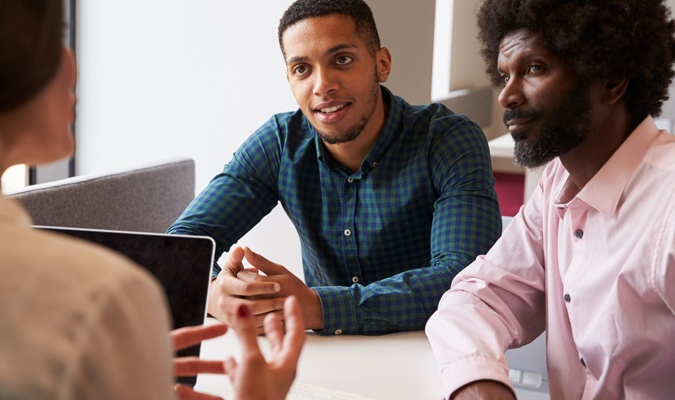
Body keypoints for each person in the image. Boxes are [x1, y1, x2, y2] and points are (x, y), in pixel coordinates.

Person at [0, 1, 303, 399]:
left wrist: (115, 363)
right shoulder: (99, 295)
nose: (72, 62)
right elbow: (187, 238)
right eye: (55, 40)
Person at [168, 0, 501, 336]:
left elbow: (465, 278)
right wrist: (213, 294)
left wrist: (319, 307)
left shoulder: (449, 139)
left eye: (341, 60)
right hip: (324, 362)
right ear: (289, 80)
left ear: (381, 64)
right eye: (302, 69)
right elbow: (177, 248)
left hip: (433, 353)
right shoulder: (279, 143)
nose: (322, 85)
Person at [425, 0, 675, 398]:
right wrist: (477, 381)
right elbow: (477, 297)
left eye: (534, 68)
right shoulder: (558, 183)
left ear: (610, 80)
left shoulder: (668, 203)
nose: (506, 96)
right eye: (505, 74)